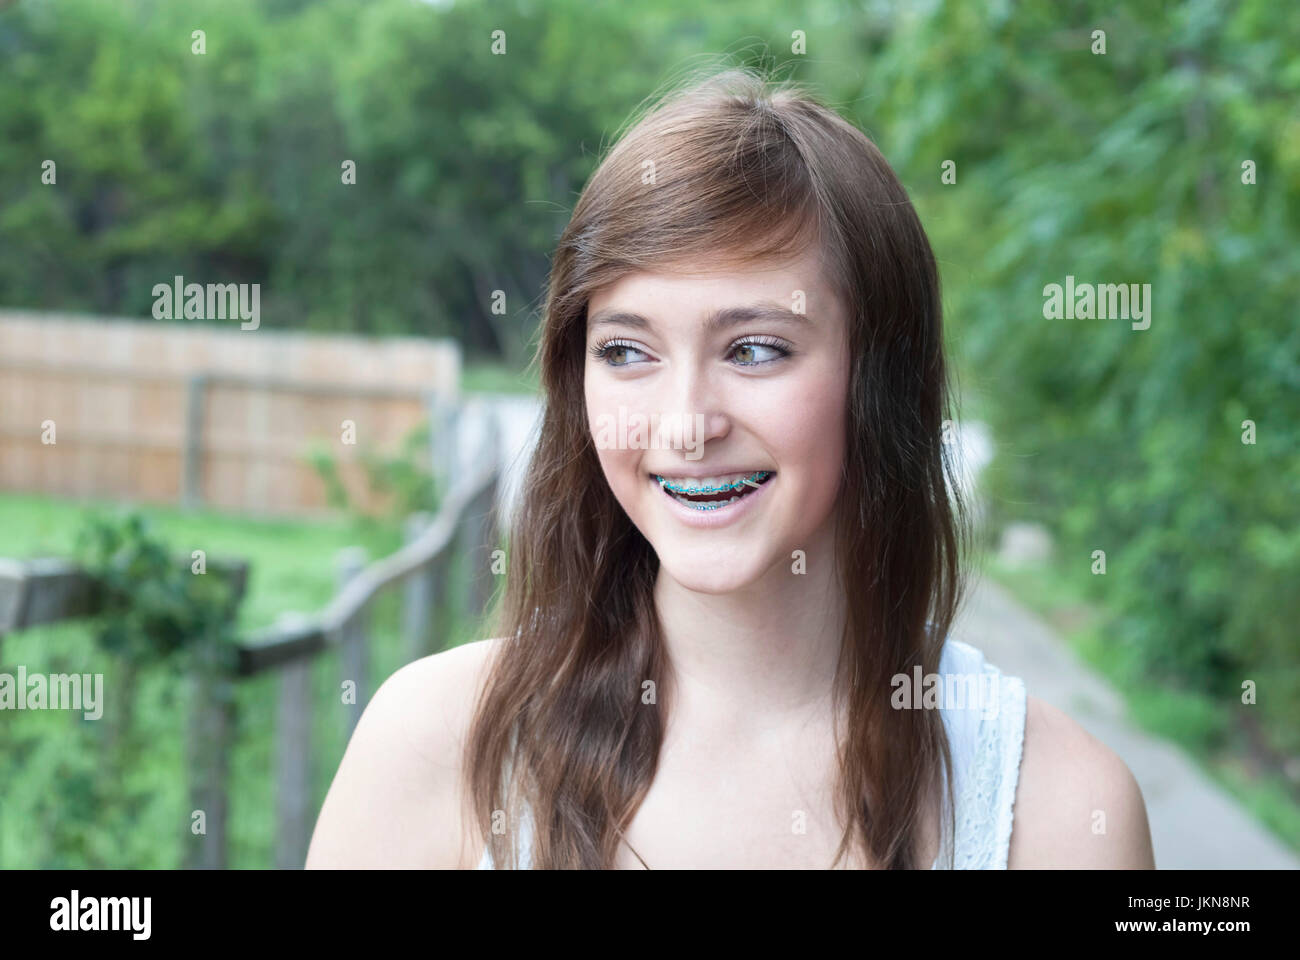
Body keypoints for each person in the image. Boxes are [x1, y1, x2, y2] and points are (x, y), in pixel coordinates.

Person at [306, 65, 1155, 870]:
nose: (685, 426)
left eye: (754, 349)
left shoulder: (1059, 812)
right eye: (627, 351)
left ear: (880, 377)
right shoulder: (436, 750)